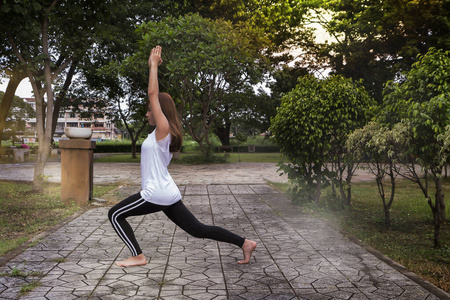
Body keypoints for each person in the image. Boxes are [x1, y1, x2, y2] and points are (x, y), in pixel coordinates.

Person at [108, 46, 257, 267]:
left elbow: (152, 93)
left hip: (155, 193)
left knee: (115, 214)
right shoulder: (159, 134)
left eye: (150, 110)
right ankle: (244, 243)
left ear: (160, 111)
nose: (147, 113)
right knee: (198, 230)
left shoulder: (163, 130)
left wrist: (153, 66)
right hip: (168, 192)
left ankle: (137, 256)